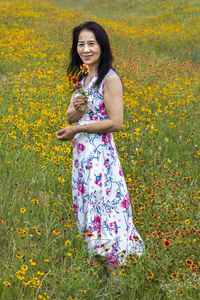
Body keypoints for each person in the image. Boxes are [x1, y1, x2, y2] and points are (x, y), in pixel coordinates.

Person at [56, 21, 144, 281]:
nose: (86, 49)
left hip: (101, 158)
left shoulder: (110, 78)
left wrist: (76, 130)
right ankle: (99, 260)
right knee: (89, 206)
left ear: (102, 46)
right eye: (81, 44)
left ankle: (115, 276)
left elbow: (116, 122)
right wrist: (76, 110)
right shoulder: (84, 79)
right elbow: (71, 116)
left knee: (105, 208)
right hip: (83, 158)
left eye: (91, 43)